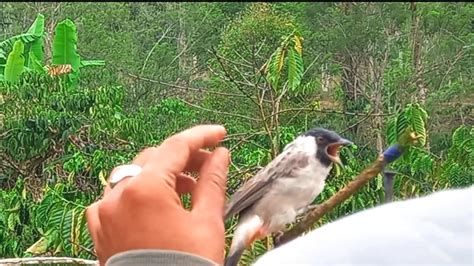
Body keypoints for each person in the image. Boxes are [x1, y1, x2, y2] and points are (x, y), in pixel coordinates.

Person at [86, 125, 473, 266]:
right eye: (328, 141)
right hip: (258, 214)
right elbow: (261, 185)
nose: (332, 147)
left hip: (273, 218)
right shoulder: (300, 155)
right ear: (315, 143)